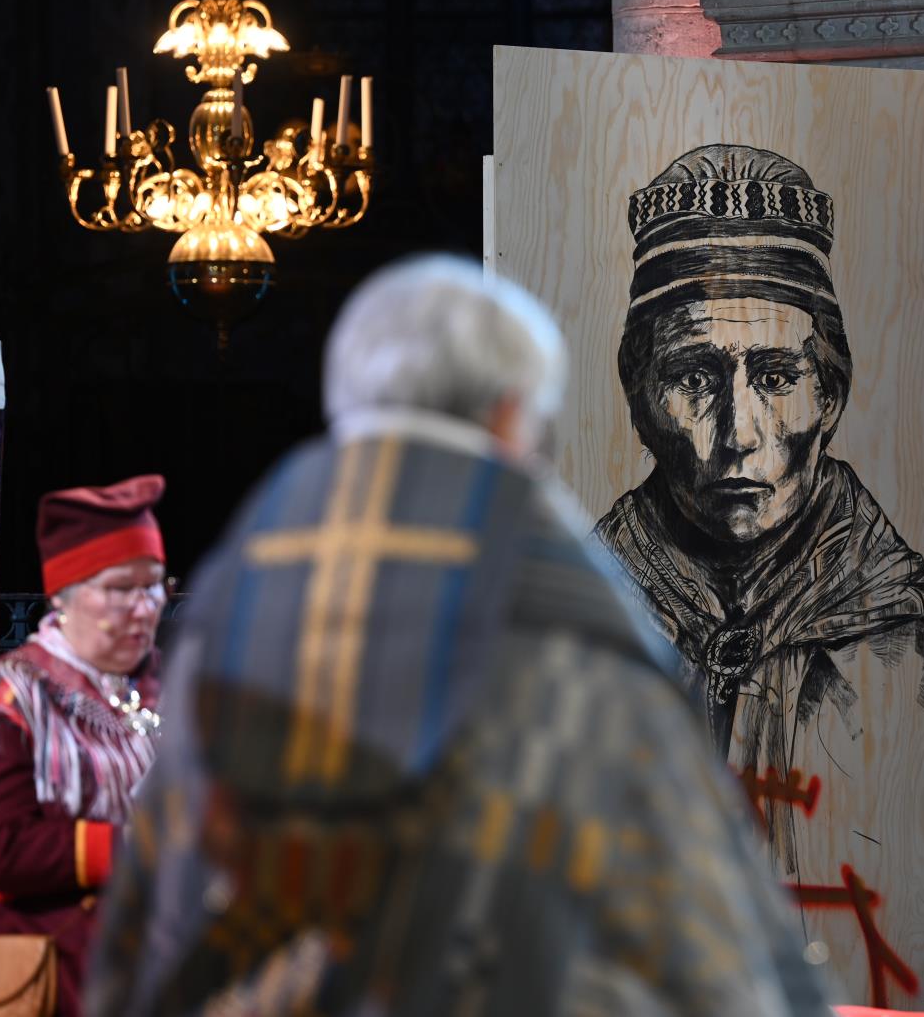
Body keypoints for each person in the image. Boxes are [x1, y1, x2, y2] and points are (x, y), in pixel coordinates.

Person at [84, 256, 832, 1016]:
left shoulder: (226, 601)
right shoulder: (567, 616)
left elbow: (155, 902)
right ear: (512, 415)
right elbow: (708, 940)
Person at [593, 143, 924, 885]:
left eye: (775, 377)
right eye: (693, 377)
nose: (740, 432)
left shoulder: (903, 645)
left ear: (829, 396)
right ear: (638, 397)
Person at [0, 475, 168, 1017]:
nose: (143, 606)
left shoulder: (159, 688)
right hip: (57, 973)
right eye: (119, 588)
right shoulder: (2, 700)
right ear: (65, 594)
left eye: (153, 585)